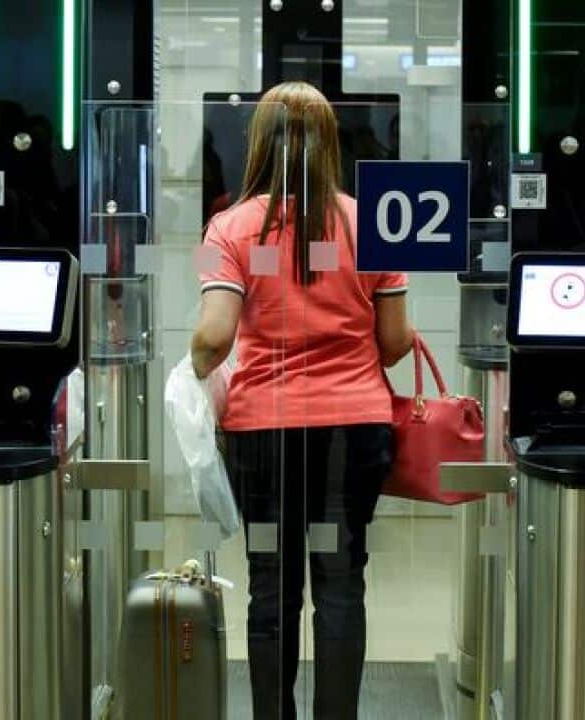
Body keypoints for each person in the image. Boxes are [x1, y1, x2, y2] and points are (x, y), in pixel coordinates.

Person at [190, 81, 414, 720]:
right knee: (341, 585)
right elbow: (394, 342)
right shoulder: (374, 219)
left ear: (259, 142)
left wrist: (195, 369)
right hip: (353, 433)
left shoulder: (224, 226)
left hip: (265, 437)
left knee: (272, 588)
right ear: (330, 145)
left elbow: (213, 333)